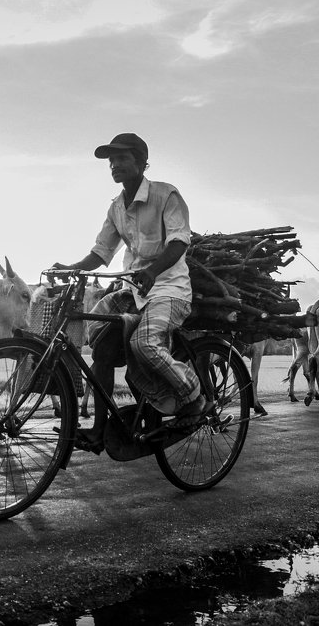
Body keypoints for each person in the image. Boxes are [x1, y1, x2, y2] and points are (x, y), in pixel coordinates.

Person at [51, 132, 211, 454]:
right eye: (111, 160)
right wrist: (72, 267)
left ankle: (194, 397)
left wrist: (152, 271)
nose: (114, 165)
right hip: (134, 291)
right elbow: (101, 252)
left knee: (144, 343)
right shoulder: (116, 208)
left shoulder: (166, 195)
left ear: (140, 162)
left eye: (121, 158)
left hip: (169, 289)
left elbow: (179, 241)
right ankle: (98, 431)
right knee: (102, 349)